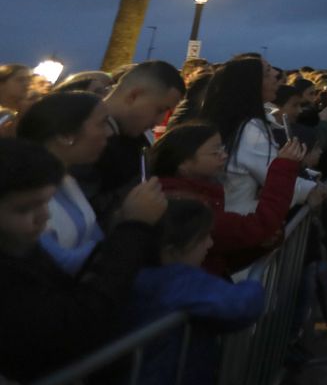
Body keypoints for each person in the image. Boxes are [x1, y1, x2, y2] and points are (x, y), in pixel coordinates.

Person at [0, 137, 166, 384]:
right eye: (25, 208)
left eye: (46, 202)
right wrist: (134, 228)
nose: (44, 217)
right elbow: (78, 325)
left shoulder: (20, 246)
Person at [127, 196, 266, 385]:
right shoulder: (177, 281)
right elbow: (240, 305)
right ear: (172, 250)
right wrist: (254, 285)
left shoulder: (130, 273)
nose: (210, 243)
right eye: (203, 237)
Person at [152, 122, 306, 276]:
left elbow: (218, 258)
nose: (224, 155)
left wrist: (259, 245)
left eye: (223, 149)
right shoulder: (186, 207)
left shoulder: (198, 194)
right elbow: (260, 224)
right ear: (183, 163)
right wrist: (284, 167)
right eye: (215, 152)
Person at [198, 57, 319, 214]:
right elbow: (273, 177)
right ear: (252, 84)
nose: (276, 74)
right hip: (240, 222)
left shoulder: (243, 122)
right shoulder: (250, 130)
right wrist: (312, 189)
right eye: (268, 72)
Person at [17, 91, 113, 274]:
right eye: (102, 123)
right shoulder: (20, 191)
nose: (108, 133)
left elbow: (96, 236)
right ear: (66, 135)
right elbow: (60, 262)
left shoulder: (66, 180)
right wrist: (134, 224)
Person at [84, 60, 185, 220]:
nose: (160, 121)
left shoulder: (134, 138)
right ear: (134, 96)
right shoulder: (86, 140)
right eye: (160, 110)